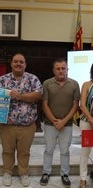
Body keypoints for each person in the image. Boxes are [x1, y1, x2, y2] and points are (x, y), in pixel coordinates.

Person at [0, 53, 42, 187]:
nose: (18, 64)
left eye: (21, 62)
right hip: (7, 124)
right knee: (7, 151)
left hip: (27, 125)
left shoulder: (33, 79)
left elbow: (38, 95)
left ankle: (23, 173)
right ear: (11, 64)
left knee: (24, 152)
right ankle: (7, 172)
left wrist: (20, 96)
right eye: (15, 61)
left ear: (25, 64)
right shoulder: (2, 80)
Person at [40, 58, 80, 187]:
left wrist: (63, 121)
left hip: (67, 125)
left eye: (63, 68)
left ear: (67, 69)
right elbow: (44, 104)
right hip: (50, 124)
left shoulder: (74, 84)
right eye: (58, 68)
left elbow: (75, 105)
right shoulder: (46, 83)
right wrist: (54, 121)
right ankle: (46, 172)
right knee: (48, 150)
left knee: (65, 151)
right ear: (53, 70)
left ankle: (65, 174)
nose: (61, 71)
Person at [78, 63, 93, 188]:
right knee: (85, 151)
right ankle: (83, 179)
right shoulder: (87, 84)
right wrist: (91, 120)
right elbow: (82, 105)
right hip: (87, 122)